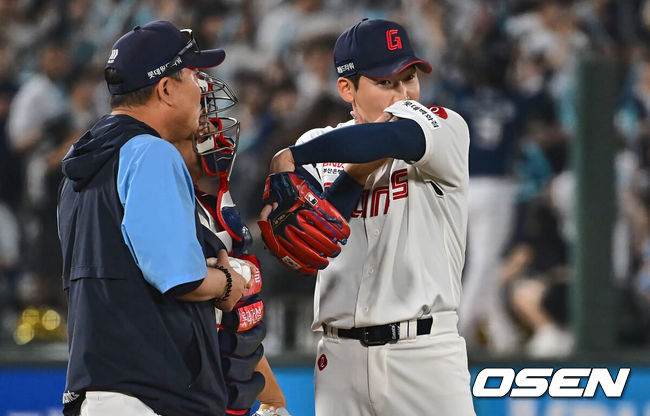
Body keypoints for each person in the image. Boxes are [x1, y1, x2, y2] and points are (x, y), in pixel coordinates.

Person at [260, 18, 475, 416]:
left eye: (410, 77)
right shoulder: (317, 145)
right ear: (347, 89)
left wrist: (293, 157)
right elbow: (318, 247)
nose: (405, 94)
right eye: (387, 83)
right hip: (339, 360)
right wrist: (353, 174)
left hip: (424, 356)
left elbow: (392, 137)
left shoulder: (445, 128)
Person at [57, 21, 251, 416]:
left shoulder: (82, 165)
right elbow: (180, 278)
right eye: (195, 75)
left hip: (99, 384)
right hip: (150, 389)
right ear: (165, 88)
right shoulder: (149, 152)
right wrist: (228, 281)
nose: (203, 88)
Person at [173, 71, 291, 416]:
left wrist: (273, 399)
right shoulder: (163, 206)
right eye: (201, 118)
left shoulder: (219, 204)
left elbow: (237, 328)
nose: (212, 128)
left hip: (225, 396)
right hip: (183, 395)